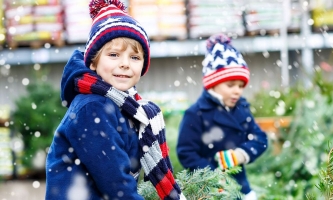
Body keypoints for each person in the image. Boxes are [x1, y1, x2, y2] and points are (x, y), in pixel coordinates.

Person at [45, 0, 185, 199]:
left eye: (135, 58)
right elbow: (116, 184)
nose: (125, 64)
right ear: (93, 62)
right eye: (114, 55)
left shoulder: (125, 106)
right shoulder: (93, 108)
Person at [176, 33, 268, 200]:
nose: (237, 91)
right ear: (213, 84)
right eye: (230, 85)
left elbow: (260, 138)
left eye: (241, 85)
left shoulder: (242, 109)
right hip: (207, 190)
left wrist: (240, 154)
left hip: (241, 186)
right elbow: (186, 152)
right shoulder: (196, 113)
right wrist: (213, 176)